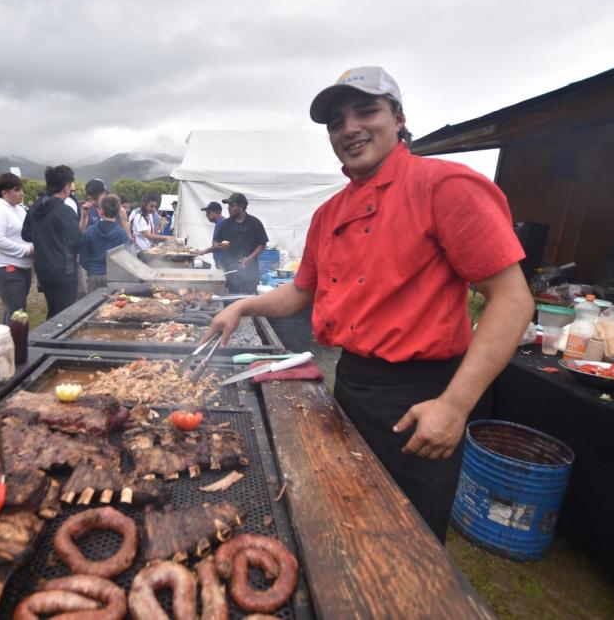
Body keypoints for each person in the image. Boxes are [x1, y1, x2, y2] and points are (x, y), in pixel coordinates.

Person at [205, 66, 534, 542]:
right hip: (352, 383)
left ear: (398, 119)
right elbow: (302, 291)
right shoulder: (329, 212)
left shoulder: (446, 187)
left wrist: (455, 405)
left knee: (410, 540)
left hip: (424, 394)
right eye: (337, 122)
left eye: (366, 111)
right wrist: (243, 306)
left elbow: (513, 299)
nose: (350, 128)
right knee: (352, 519)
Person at [23, 165, 82, 319]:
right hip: (64, 269)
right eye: (70, 185)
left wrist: (44, 240)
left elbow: (26, 234)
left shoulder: (34, 208)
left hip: (43, 268)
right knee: (65, 314)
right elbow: (77, 242)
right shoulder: (65, 211)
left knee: (53, 309)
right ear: (66, 187)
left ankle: (48, 340)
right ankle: (57, 343)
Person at [0, 173, 34, 323]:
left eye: (21, 189)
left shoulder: (18, 209)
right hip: (5, 268)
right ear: (4, 192)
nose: (21, 194)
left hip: (22, 266)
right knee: (17, 314)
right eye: (17, 190)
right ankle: (15, 344)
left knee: (15, 310)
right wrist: (27, 250)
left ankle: (9, 343)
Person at [212, 193, 267, 294]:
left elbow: (262, 244)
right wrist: (219, 245)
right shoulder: (225, 223)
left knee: (247, 301)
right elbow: (215, 241)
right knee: (230, 300)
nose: (228, 208)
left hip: (249, 270)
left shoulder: (254, 223)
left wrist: (250, 258)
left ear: (241, 207)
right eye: (228, 205)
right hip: (229, 270)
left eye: (232, 205)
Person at [80, 195, 130, 293]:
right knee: (112, 306)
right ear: (117, 213)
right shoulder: (122, 234)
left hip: (94, 275)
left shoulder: (90, 231)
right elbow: (126, 259)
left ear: (101, 211)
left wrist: (92, 268)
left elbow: (83, 258)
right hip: (114, 276)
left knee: (93, 305)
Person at [193, 202, 227, 270]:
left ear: (217, 212)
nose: (206, 215)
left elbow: (219, 245)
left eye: (208, 212)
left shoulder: (222, 223)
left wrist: (202, 252)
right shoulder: (219, 223)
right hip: (220, 263)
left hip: (224, 264)